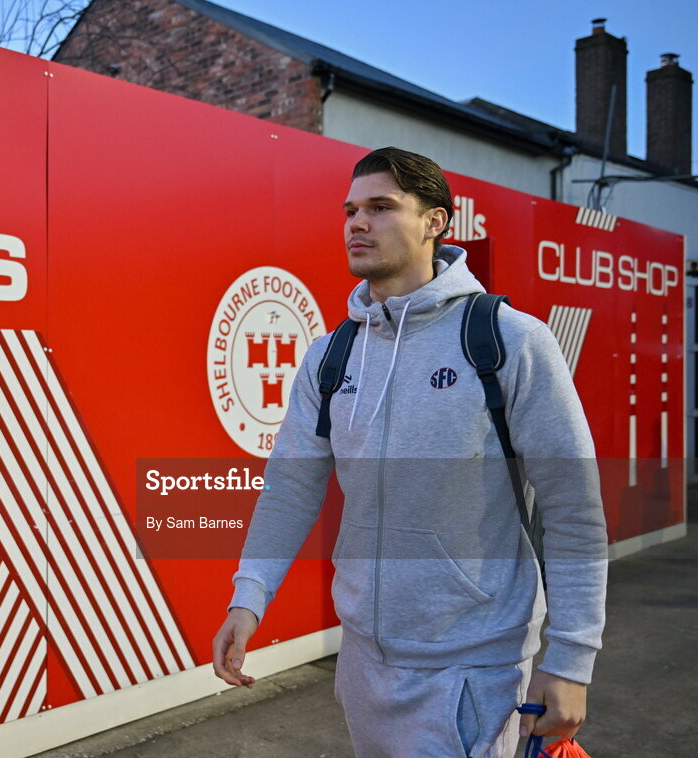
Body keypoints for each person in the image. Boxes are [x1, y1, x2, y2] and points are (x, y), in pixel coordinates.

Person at [212, 147, 607, 757]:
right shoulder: (330, 357)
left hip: (475, 669)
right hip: (364, 662)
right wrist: (250, 594)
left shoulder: (509, 341)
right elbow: (291, 486)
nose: (356, 223)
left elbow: (573, 509)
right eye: (350, 210)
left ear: (435, 222)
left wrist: (573, 659)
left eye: (380, 207)